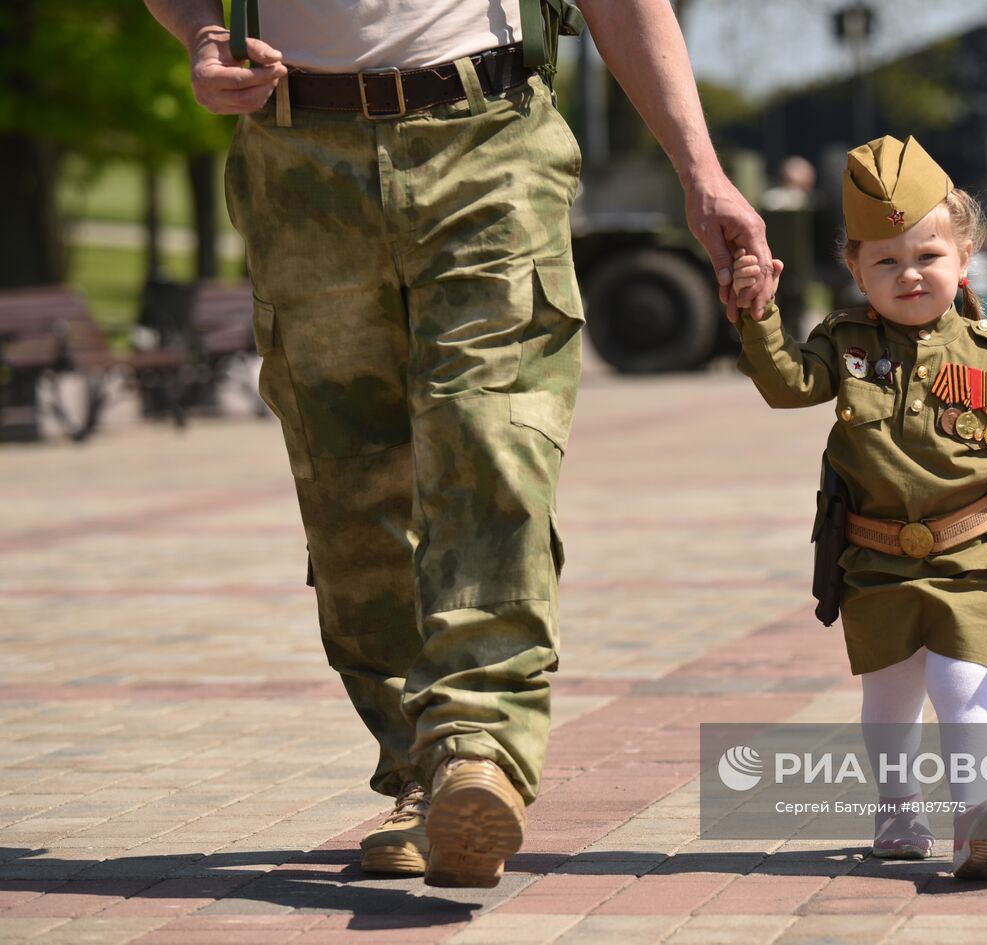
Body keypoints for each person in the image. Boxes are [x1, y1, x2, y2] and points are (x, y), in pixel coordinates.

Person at [143, 0, 774, 888]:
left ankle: (479, 746)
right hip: (296, 162)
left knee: (489, 436)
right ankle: (419, 770)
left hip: (486, 138)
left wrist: (701, 170)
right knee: (350, 491)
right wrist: (204, 36)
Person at [730, 135, 987, 878]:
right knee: (891, 696)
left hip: (971, 556)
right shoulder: (846, 343)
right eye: (886, 261)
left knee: (963, 686)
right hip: (874, 560)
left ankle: (977, 821)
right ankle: (898, 807)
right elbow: (787, 383)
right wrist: (759, 313)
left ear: (964, 257)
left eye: (928, 256)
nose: (910, 274)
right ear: (856, 269)